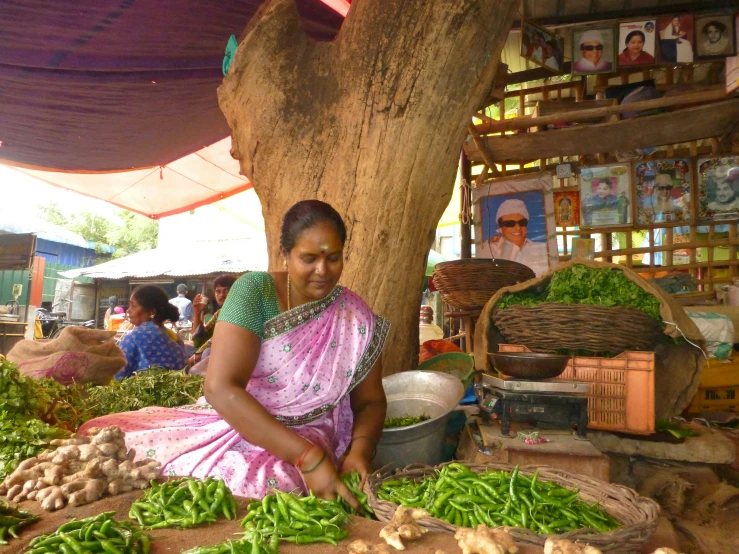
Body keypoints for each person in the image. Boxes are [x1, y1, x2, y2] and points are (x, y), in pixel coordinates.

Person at [79, 200, 390, 506]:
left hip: (312, 431)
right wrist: (307, 458)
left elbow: (371, 401)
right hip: (239, 420)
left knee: (279, 488)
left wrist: (359, 452)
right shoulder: (256, 291)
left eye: (333, 258)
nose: (322, 270)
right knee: (114, 447)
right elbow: (220, 387)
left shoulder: (352, 315)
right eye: (308, 258)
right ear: (285, 254)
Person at [115, 285, 187, 380]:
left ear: (151, 312)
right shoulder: (175, 341)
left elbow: (117, 377)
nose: (128, 310)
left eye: (133, 305)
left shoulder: (131, 339)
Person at [188, 274, 238, 371]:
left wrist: (193, 359)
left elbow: (215, 339)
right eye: (218, 291)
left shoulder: (238, 312)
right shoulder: (219, 314)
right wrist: (197, 313)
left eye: (227, 290)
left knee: (207, 352)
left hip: (234, 358)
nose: (222, 295)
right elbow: (198, 340)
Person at [488, 198, 548, 276]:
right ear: (501, 228)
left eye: (522, 223)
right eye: (510, 223)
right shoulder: (491, 251)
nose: (518, 228)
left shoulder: (543, 249)